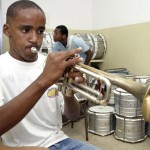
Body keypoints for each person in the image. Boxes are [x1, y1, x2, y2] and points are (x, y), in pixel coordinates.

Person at [0, 1, 100, 150]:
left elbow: (72, 116)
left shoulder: (50, 63)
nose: (34, 39)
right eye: (26, 30)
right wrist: (43, 81)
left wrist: (69, 93)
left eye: (40, 31)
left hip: (61, 141)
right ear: (7, 30)